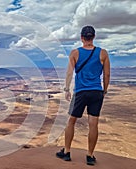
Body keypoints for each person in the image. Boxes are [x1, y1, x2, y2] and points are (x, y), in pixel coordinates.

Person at [56, 25, 110, 166]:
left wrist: (66, 89)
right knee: (93, 124)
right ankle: (90, 156)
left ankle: (67, 152)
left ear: (81, 38)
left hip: (80, 92)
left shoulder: (75, 53)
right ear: (93, 37)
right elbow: (107, 74)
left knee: (71, 121)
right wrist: (104, 89)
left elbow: (69, 73)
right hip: (96, 92)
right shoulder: (103, 53)